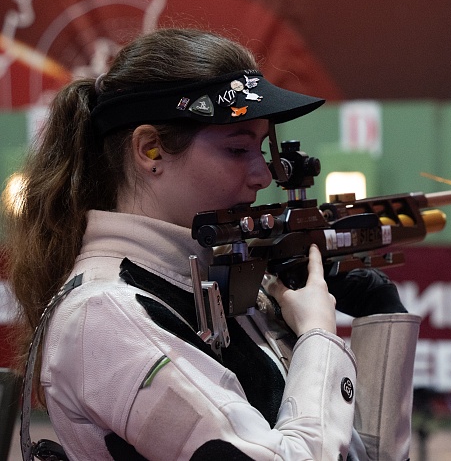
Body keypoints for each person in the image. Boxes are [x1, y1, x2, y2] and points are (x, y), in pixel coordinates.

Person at [7, 27, 421, 460]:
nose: (263, 174)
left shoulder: (213, 280)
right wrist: (318, 335)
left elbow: (353, 454)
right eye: (238, 150)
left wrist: (381, 316)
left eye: (262, 149)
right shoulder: (104, 315)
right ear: (150, 150)